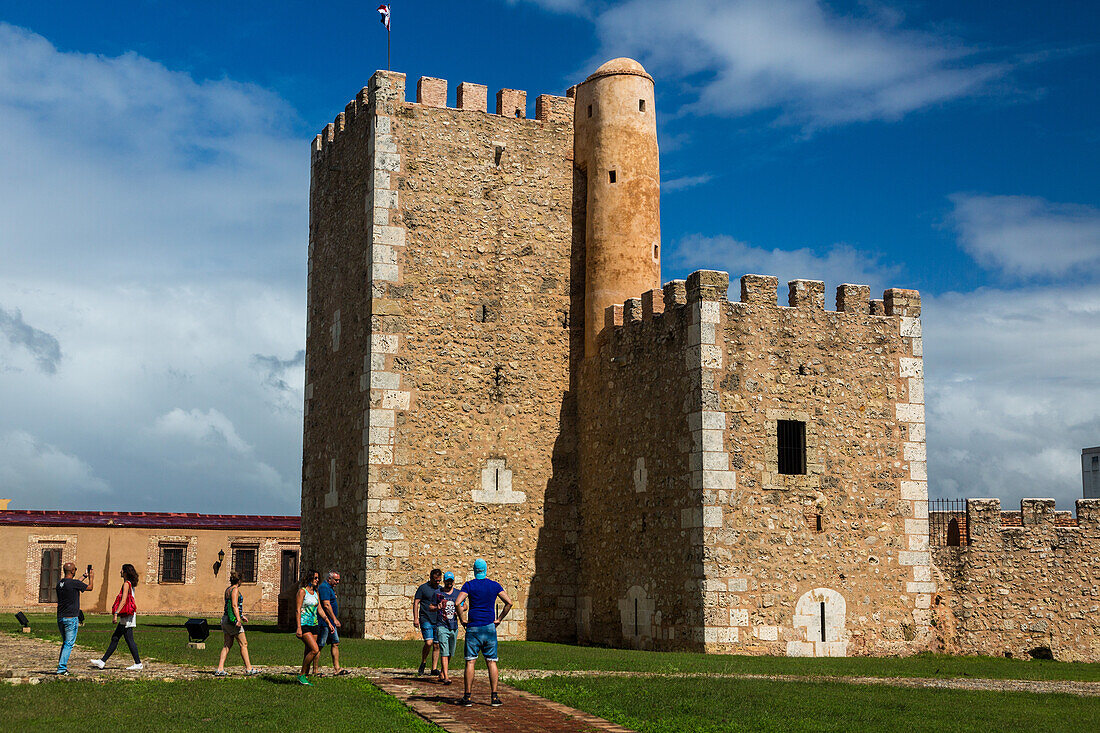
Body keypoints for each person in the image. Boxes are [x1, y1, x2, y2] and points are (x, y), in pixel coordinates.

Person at [455, 558, 512, 707]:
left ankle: (467, 697)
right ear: (486, 570)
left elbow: (457, 602)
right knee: (491, 661)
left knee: (470, 661)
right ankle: (494, 697)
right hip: (489, 627)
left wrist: (462, 619)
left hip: (473, 627)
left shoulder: (469, 585)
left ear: (474, 571)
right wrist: (499, 619)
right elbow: (509, 602)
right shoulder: (494, 585)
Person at [89, 564, 142, 671]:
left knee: (128, 639)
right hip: (129, 615)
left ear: (125, 572)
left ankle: (138, 663)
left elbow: (123, 600)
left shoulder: (126, 584)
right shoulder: (130, 584)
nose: (120, 572)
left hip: (127, 615)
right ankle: (102, 661)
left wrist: (116, 613)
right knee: (116, 637)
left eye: (122, 570)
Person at [214, 572, 260, 676]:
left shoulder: (228, 590)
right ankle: (249, 669)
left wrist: (241, 615)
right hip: (232, 621)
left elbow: (230, 606)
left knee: (227, 644)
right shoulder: (235, 590)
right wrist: (238, 619)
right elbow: (234, 605)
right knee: (243, 644)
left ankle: (220, 668)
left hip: (225, 619)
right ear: (239, 581)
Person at [295, 569, 333, 686]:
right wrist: (298, 627)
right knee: (315, 649)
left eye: (318, 578)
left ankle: (305, 676)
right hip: (304, 624)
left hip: (314, 624)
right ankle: (301, 674)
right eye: (315, 578)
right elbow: (297, 610)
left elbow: (320, 609)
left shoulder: (316, 593)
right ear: (309, 578)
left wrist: (329, 622)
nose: (317, 580)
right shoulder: (302, 592)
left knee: (308, 650)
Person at [55, 561, 93, 675]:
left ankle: (61, 666)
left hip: (60, 617)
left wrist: (84, 576)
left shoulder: (60, 583)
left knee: (65, 643)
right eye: (75, 569)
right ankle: (61, 668)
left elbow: (74, 584)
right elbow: (90, 588)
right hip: (71, 617)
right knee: (69, 643)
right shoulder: (73, 584)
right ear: (72, 571)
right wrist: (91, 578)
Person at [429, 571, 461, 685]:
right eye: (447, 581)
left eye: (451, 581)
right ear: (444, 581)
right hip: (442, 626)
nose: (449, 583)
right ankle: (446, 677)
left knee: (451, 652)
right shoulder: (438, 593)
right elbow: (430, 606)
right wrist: (437, 607)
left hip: (453, 626)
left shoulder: (458, 593)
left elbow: (464, 605)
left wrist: (461, 609)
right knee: (444, 650)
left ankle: (443, 672)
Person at [314, 571, 347, 675]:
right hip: (325, 622)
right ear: (329, 579)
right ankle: (315, 670)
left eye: (338, 580)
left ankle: (337, 668)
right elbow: (326, 605)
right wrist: (334, 619)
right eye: (336, 580)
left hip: (331, 622)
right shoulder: (324, 588)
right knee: (319, 645)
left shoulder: (330, 588)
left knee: (335, 643)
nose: (337, 582)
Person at [412, 568, 442, 676]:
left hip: (438, 620)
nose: (437, 582)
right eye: (435, 580)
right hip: (425, 618)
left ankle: (434, 668)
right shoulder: (423, 588)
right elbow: (416, 603)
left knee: (437, 645)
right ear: (431, 578)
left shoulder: (440, 590)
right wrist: (415, 618)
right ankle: (423, 661)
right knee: (429, 642)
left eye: (439, 580)